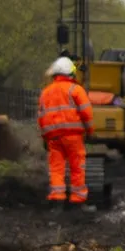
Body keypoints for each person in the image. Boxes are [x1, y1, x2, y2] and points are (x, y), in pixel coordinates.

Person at [38, 57, 95, 206]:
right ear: (71, 73)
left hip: (53, 138)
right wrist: (90, 131)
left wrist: (45, 138)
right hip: (73, 137)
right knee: (77, 167)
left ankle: (57, 199)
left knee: (56, 168)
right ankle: (77, 200)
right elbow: (86, 113)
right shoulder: (75, 90)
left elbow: (42, 117)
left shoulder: (45, 92)